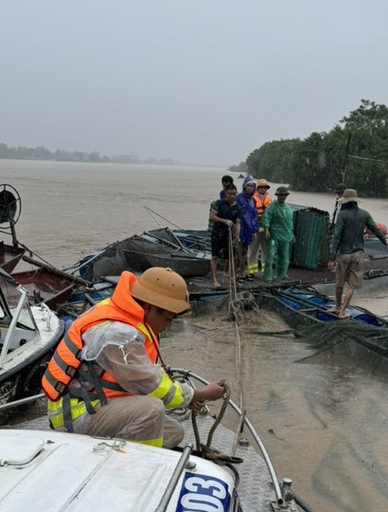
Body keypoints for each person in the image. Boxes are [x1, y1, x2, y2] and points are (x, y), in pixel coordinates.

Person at [41, 267, 226, 448]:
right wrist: (199, 394)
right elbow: (151, 384)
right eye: (168, 318)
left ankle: (118, 451)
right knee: (152, 409)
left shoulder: (124, 312)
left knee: (173, 432)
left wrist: (188, 398)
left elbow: (143, 375)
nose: (169, 325)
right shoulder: (117, 334)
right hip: (76, 414)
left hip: (98, 402)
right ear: (150, 308)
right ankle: (140, 465)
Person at [326, 188, 388, 318]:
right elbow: (375, 229)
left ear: (345, 202)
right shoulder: (364, 214)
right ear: (355, 201)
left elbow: (336, 236)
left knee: (339, 283)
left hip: (344, 254)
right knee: (351, 285)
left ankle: (337, 306)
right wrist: (384, 241)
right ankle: (343, 311)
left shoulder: (342, 215)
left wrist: (331, 258)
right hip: (358, 254)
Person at [208, 184, 241, 288]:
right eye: (229, 194)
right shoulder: (219, 203)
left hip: (229, 234)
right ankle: (214, 279)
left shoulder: (238, 207)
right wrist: (224, 221)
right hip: (217, 233)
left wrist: (237, 237)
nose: (232, 196)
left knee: (231, 256)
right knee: (215, 256)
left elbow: (238, 223)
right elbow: (212, 217)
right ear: (226, 194)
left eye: (234, 194)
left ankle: (229, 276)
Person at [260, 186, 294, 283]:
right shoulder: (272, 206)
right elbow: (266, 217)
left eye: (284, 195)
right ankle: (268, 276)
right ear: (277, 195)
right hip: (274, 236)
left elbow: (289, 222)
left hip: (285, 236)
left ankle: (282, 274)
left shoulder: (288, 208)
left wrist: (292, 233)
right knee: (271, 256)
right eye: (281, 195)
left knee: (284, 257)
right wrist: (266, 228)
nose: (282, 197)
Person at [235, 177, 259, 280]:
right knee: (237, 251)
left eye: (251, 186)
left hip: (248, 230)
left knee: (244, 251)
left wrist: (254, 230)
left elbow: (254, 216)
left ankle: (242, 271)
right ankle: (237, 272)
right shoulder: (238, 198)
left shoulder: (253, 200)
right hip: (239, 228)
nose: (249, 188)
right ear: (244, 186)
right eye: (248, 186)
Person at [249, 179, 272, 275]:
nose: (263, 189)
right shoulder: (252, 199)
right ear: (257, 188)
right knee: (253, 250)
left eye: (265, 187)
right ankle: (252, 271)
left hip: (266, 229)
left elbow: (271, 214)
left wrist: (268, 227)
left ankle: (265, 270)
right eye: (261, 187)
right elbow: (250, 215)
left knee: (266, 250)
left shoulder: (269, 199)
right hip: (255, 229)